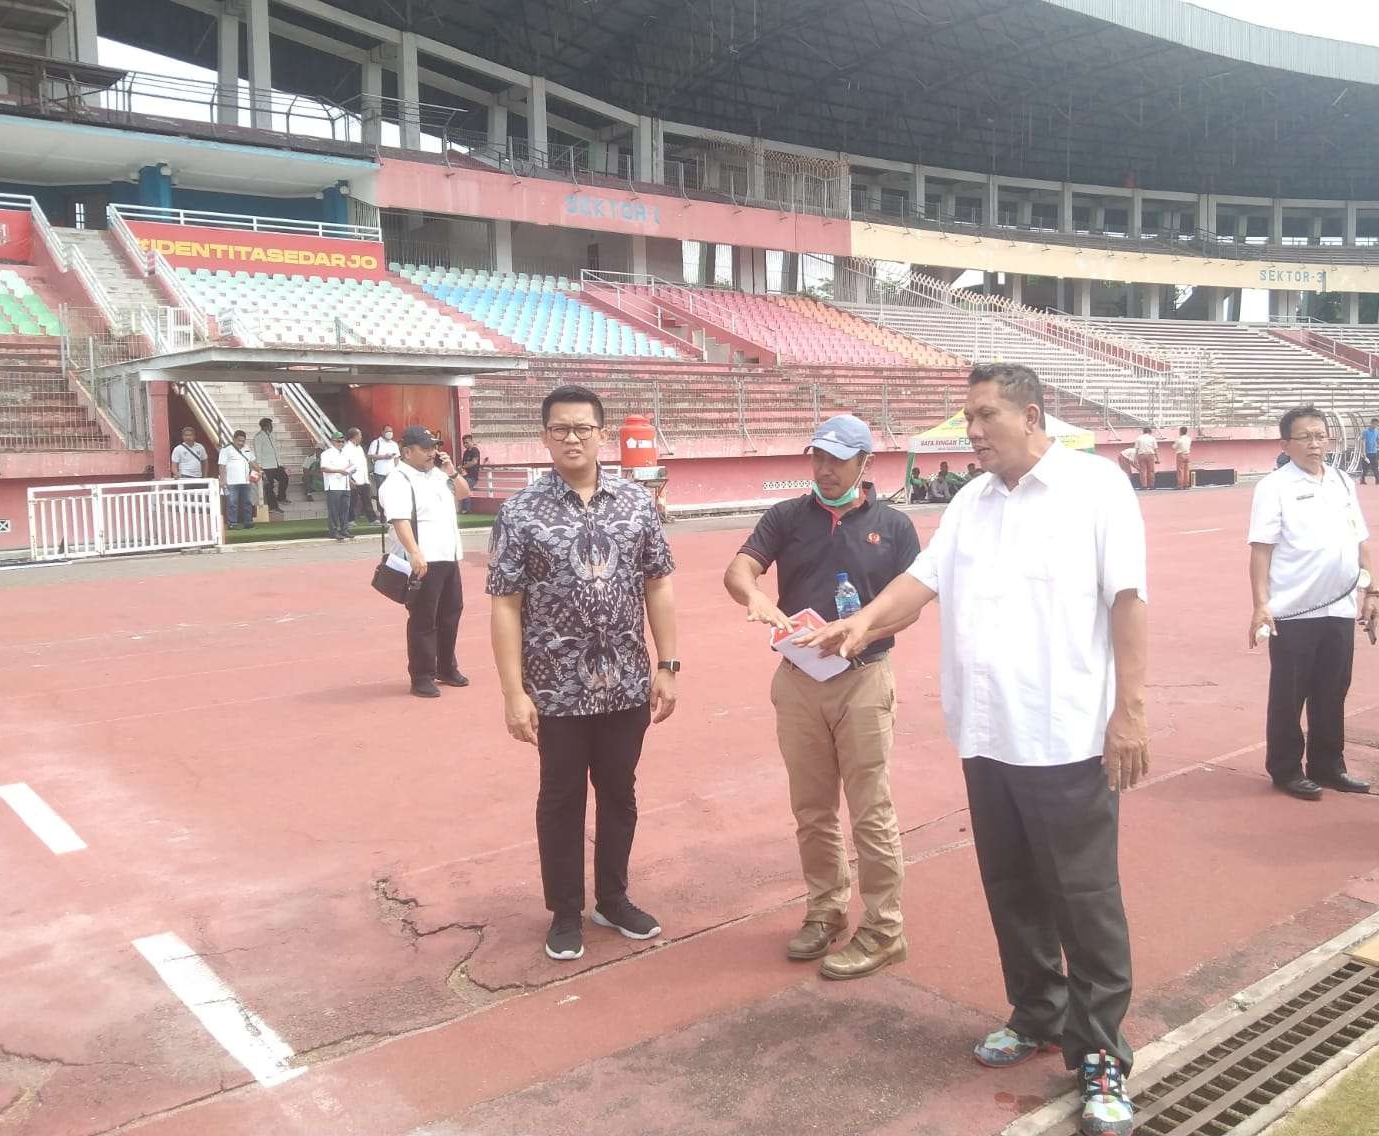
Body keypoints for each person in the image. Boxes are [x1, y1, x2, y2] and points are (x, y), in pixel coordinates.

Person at [800, 363, 1148, 1136]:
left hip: (1065, 736)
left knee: (1084, 901)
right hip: (988, 733)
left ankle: (1101, 1057)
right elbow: (919, 583)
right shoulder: (970, 502)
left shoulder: (1098, 490)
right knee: (1013, 888)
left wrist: (1131, 713)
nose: (974, 430)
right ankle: (1036, 1011)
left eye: (986, 414)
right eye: (968, 417)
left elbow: (1127, 602)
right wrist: (863, 625)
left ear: (1033, 414)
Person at [723, 416, 921, 980]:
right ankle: (825, 909)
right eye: (817, 457)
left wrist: (861, 629)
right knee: (811, 809)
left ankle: (884, 928)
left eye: (837, 459)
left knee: (871, 811)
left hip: (862, 679)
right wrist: (755, 596)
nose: (825, 468)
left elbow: (910, 604)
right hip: (799, 680)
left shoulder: (895, 527)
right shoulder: (787, 516)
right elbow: (740, 569)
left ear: (865, 463)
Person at [487, 385, 679, 963]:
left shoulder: (637, 503)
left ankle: (613, 899)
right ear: (545, 436)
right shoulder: (520, 512)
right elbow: (504, 602)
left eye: (583, 428)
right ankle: (565, 910)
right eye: (560, 429)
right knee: (561, 798)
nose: (572, 438)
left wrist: (668, 664)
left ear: (602, 433)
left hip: (626, 682)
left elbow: (659, 583)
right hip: (555, 689)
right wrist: (513, 692)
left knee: (620, 793)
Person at [1248, 407, 1379, 802]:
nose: (1315, 443)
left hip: (1338, 608)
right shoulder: (1273, 487)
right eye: (1304, 437)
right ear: (1285, 444)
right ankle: (1286, 768)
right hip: (1293, 611)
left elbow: (1360, 540)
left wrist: (1372, 591)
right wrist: (1260, 605)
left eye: (1320, 435)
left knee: (1333, 689)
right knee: (1290, 693)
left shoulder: (1341, 481)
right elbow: (1261, 551)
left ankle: (1327, 764)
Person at [379, 426, 471, 699]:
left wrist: (451, 469)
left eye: (434, 447)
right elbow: (399, 520)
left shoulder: (437, 476)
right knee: (423, 620)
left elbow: (464, 493)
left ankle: (446, 667)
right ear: (407, 451)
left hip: (448, 555)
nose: (433, 452)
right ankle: (421, 675)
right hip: (424, 558)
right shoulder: (398, 480)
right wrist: (415, 552)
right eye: (426, 448)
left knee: (450, 614)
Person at [218, 429, 260, 530]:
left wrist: (259, 470)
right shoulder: (226, 449)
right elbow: (222, 465)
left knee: (247, 502)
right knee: (232, 503)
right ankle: (232, 523)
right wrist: (223, 480)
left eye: (243, 441)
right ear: (234, 439)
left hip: (245, 481)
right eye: (239, 441)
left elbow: (252, 461)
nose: (241, 443)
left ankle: (248, 522)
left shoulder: (247, 448)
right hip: (231, 482)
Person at [319, 431, 355, 541]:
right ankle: (333, 531)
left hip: (344, 484)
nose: (340, 443)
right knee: (334, 510)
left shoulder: (345, 454)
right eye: (338, 441)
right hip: (333, 484)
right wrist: (338, 470)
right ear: (332, 441)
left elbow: (348, 468)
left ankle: (344, 530)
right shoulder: (327, 453)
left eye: (342, 441)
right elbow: (324, 468)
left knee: (345, 509)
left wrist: (349, 479)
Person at [251, 418, 286, 513]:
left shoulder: (271, 436)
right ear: (266, 426)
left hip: (276, 465)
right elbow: (258, 453)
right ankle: (273, 507)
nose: (272, 427)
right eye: (271, 425)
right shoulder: (258, 437)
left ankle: (281, 497)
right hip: (266, 466)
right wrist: (260, 467)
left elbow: (275, 452)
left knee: (284, 478)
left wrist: (280, 464)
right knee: (269, 487)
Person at [345, 428, 375, 523]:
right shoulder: (347, 448)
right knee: (352, 501)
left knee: (367, 499)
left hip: (363, 478)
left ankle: (372, 519)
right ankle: (350, 520)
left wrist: (367, 479)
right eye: (359, 435)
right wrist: (349, 479)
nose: (361, 437)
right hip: (354, 478)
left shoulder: (359, 448)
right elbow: (346, 464)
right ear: (354, 436)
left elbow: (363, 465)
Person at [369, 426, 401, 492]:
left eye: (391, 432)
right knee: (381, 493)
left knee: (391, 493)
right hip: (379, 473)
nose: (390, 433)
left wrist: (397, 471)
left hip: (391, 474)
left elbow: (396, 458)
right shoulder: (376, 442)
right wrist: (384, 457)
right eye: (387, 432)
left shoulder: (394, 444)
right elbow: (370, 455)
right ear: (382, 432)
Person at [459, 433, 483, 514]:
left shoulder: (475, 450)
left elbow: (474, 462)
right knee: (462, 489)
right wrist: (461, 468)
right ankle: (464, 509)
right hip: (465, 476)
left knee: (465, 489)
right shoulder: (466, 452)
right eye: (464, 443)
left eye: (467, 442)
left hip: (472, 477)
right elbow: (464, 464)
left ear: (471, 441)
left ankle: (467, 509)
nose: (465, 444)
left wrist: (463, 467)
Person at [1358, 418, 1379, 485]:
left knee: (1375, 467)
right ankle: (1362, 479)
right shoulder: (1365, 431)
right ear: (1371, 423)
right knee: (1365, 468)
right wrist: (1363, 452)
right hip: (1367, 453)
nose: (1375, 426)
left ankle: (1378, 480)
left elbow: (1377, 441)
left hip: (1374, 452)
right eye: (1374, 424)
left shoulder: (1376, 431)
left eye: (1377, 424)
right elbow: (1363, 442)